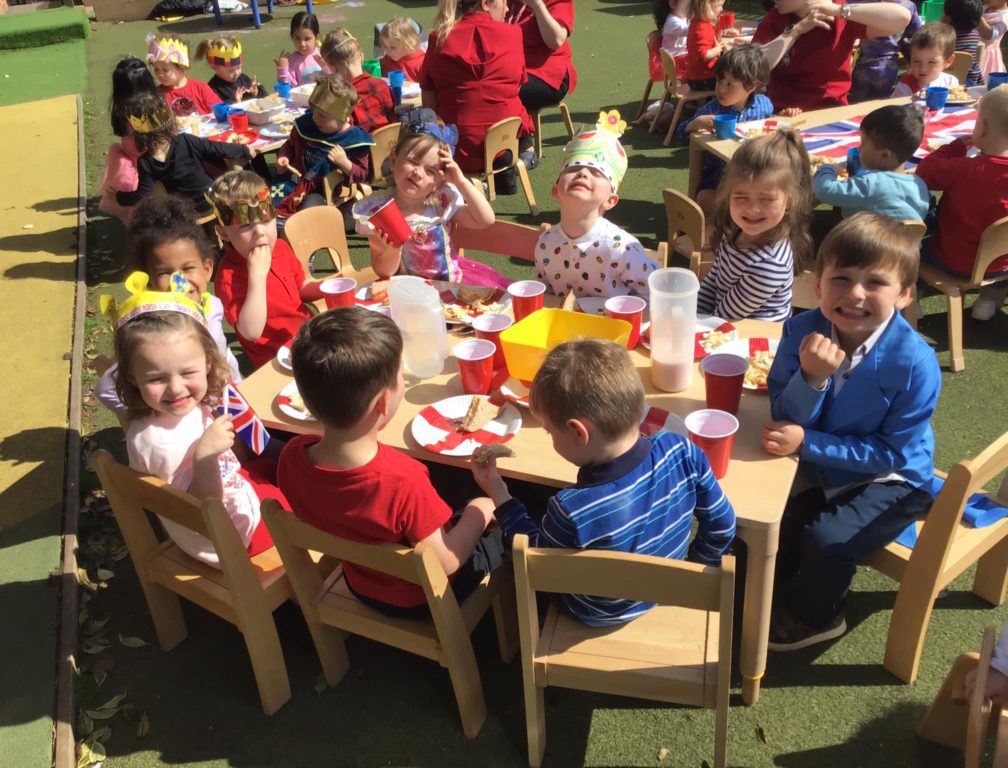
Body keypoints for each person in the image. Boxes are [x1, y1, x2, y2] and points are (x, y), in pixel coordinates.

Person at [763, 213, 941, 651]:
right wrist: (811, 378)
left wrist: (809, 442)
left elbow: (891, 454)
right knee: (776, 518)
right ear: (818, 285)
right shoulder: (801, 330)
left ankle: (819, 617)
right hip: (827, 464)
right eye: (841, 279)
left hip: (895, 478)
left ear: (904, 294)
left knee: (827, 540)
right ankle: (771, 583)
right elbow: (783, 411)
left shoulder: (915, 362)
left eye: (875, 282)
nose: (855, 294)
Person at [469, 339, 736, 627]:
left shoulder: (570, 509)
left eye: (549, 432)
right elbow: (723, 524)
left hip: (594, 614)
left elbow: (536, 566)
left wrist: (500, 494)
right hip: (667, 590)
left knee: (518, 541)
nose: (551, 440)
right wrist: (693, 572)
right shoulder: (683, 451)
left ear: (578, 431)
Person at [278, 308, 505, 618]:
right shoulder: (403, 478)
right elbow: (446, 561)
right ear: (384, 401)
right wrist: (482, 508)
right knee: (504, 523)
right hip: (423, 598)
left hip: (361, 582)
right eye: (401, 375)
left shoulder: (291, 455)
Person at [106, 272, 286, 567]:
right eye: (157, 378)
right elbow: (204, 509)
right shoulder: (163, 445)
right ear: (132, 377)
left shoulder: (156, 419)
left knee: (272, 466)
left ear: (208, 363)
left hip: (216, 522)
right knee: (307, 494)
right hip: (234, 537)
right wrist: (205, 455)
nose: (176, 388)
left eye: (188, 372)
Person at [96, 196, 242, 418]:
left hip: (228, 405)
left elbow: (222, 355)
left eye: (188, 268)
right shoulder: (152, 328)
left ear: (207, 269)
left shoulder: (212, 305)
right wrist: (143, 417)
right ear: (149, 278)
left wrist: (237, 387)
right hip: (189, 421)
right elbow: (106, 388)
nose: (178, 281)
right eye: (165, 272)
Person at [353, 109, 503, 285]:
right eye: (412, 161)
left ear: (440, 180)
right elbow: (383, 271)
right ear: (393, 160)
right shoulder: (380, 214)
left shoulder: (441, 204)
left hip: (450, 288)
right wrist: (392, 250)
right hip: (407, 292)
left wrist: (460, 181)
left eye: (430, 171)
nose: (418, 173)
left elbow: (485, 220)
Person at [533, 118, 659, 298]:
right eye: (573, 169)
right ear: (555, 190)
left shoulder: (621, 248)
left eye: (596, 173)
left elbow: (657, 293)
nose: (582, 173)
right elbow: (546, 296)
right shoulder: (545, 243)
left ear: (610, 200)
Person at [210, 170, 324, 368]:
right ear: (224, 233)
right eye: (245, 226)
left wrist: (324, 287)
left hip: (309, 334)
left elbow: (301, 289)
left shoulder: (281, 247)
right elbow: (250, 332)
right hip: (274, 359)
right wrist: (257, 275)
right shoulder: (228, 276)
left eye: (265, 220)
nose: (259, 232)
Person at [697, 130, 813, 322]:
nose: (752, 209)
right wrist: (693, 313)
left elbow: (725, 316)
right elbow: (713, 281)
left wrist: (694, 323)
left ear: (789, 202)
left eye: (766, 199)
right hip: (726, 323)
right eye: (741, 197)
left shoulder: (770, 265)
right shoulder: (733, 231)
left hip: (756, 337)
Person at [916, 84, 1008, 320]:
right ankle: (987, 301)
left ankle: (912, 298)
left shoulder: (965, 169)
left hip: (951, 261)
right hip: (1002, 266)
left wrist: (955, 147)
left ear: (982, 127)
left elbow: (925, 171)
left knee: (915, 246)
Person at [420, 0, 534, 191]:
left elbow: (428, 97)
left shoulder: (439, 37)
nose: (507, 8)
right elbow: (517, 87)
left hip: (454, 149)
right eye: (504, 2)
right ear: (486, 3)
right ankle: (522, 158)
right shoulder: (513, 33)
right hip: (505, 144)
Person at [752, 0, 912, 114]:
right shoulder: (775, 17)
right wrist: (797, 30)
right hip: (781, 113)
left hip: (831, 112)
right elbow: (752, 67)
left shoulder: (838, 12)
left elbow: (902, 18)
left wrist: (838, 10)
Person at [114, 92, 255, 214]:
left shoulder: (145, 162)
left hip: (183, 212)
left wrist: (119, 196)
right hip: (211, 200)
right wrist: (245, 149)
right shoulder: (186, 141)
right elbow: (218, 149)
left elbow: (144, 194)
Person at [677, 44, 775, 212]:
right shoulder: (712, 109)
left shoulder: (763, 105)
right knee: (705, 198)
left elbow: (771, 127)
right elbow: (681, 134)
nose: (721, 89)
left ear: (751, 87)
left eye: (729, 84)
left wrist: (785, 116)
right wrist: (695, 124)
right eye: (719, 81)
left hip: (753, 171)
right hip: (720, 174)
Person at [273, 74, 374, 220]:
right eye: (314, 111)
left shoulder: (354, 140)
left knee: (308, 212)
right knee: (264, 197)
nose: (315, 118)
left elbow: (362, 174)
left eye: (323, 116)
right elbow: (290, 144)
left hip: (321, 192)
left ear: (342, 116)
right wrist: (284, 155)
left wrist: (345, 163)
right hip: (291, 182)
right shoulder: (307, 125)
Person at [812, 104, 930, 220]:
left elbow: (824, 190)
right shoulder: (920, 185)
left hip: (860, 233)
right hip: (903, 233)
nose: (859, 148)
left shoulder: (869, 184)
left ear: (884, 155)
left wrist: (828, 168)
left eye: (863, 143)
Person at [507, 0, 578, 165]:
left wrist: (537, 5)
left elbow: (556, 40)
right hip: (512, 70)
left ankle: (526, 148)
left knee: (504, 89)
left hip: (549, 76)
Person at [99, 56, 159, 225]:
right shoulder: (142, 114)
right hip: (142, 164)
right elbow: (152, 146)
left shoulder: (120, 109)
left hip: (131, 157)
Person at [321, 28, 396, 132]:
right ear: (361, 57)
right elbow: (394, 120)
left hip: (364, 143)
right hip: (392, 140)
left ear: (332, 68)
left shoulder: (342, 99)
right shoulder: (381, 85)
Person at [848, 0, 922, 101]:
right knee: (883, 104)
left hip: (863, 64)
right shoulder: (908, 5)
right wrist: (912, 61)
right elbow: (916, 38)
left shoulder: (860, 3)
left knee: (857, 104)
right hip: (888, 67)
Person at [146, 34, 219, 116]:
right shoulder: (157, 94)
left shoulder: (200, 87)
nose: (160, 74)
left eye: (166, 70)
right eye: (156, 69)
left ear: (182, 68)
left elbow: (220, 112)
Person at [891, 22, 962, 96]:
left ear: (948, 61)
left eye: (931, 62)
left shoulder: (950, 83)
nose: (923, 69)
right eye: (916, 61)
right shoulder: (905, 86)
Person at [195, 35, 265, 104]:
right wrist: (236, 102)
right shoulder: (213, 89)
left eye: (239, 67)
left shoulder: (243, 78)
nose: (236, 73)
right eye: (231, 71)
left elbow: (265, 98)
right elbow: (218, 109)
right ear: (214, 67)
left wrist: (256, 93)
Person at [275, 11, 328, 87]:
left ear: (317, 38)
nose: (302, 44)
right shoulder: (291, 61)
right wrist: (282, 69)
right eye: (297, 38)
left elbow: (335, 81)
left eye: (307, 39)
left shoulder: (324, 55)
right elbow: (288, 87)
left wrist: (325, 67)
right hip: (302, 95)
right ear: (292, 37)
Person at [686, 0, 728, 91]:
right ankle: (716, 99)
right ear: (707, 6)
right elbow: (704, 55)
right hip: (702, 79)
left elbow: (710, 41)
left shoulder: (700, 22)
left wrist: (719, 30)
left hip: (696, 77)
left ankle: (708, 98)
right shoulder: (701, 28)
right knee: (731, 80)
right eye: (720, 5)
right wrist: (717, 50)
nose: (722, 9)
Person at [944, 0, 986, 86]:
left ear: (948, 17)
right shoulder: (975, 35)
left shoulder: (944, 38)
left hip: (947, 78)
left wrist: (942, 24)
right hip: (971, 80)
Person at [380, 17, 427, 81]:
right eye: (385, 46)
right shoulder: (386, 61)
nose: (387, 51)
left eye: (392, 47)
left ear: (407, 43)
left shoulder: (422, 63)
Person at [980, 0, 1008, 80]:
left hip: (987, 54)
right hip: (974, 49)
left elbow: (990, 35)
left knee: (983, 80)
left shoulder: (1005, 16)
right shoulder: (984, 8)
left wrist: (977, 16)